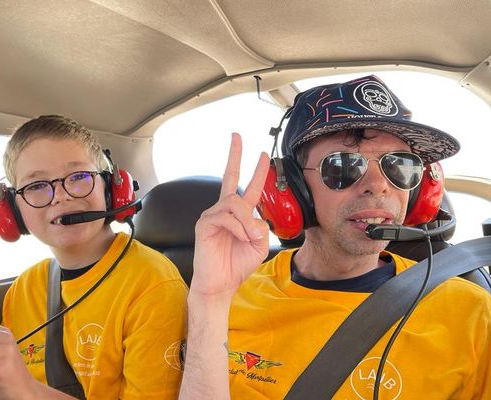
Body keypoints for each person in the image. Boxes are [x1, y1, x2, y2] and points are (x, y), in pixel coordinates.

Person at [179, 75, 491, 399]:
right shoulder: (228, 293)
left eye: (400, 165)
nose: (379, 185)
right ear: (292, 190)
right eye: (343, 165)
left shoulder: (471, 315)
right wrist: (209, 302)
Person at [0, 115, 188, 399]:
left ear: (112, 188)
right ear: (11, 211)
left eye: (79, 176)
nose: (61, 195)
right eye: (36, 186)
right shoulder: (25, 287)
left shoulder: (153, 283)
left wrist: (26, 390)